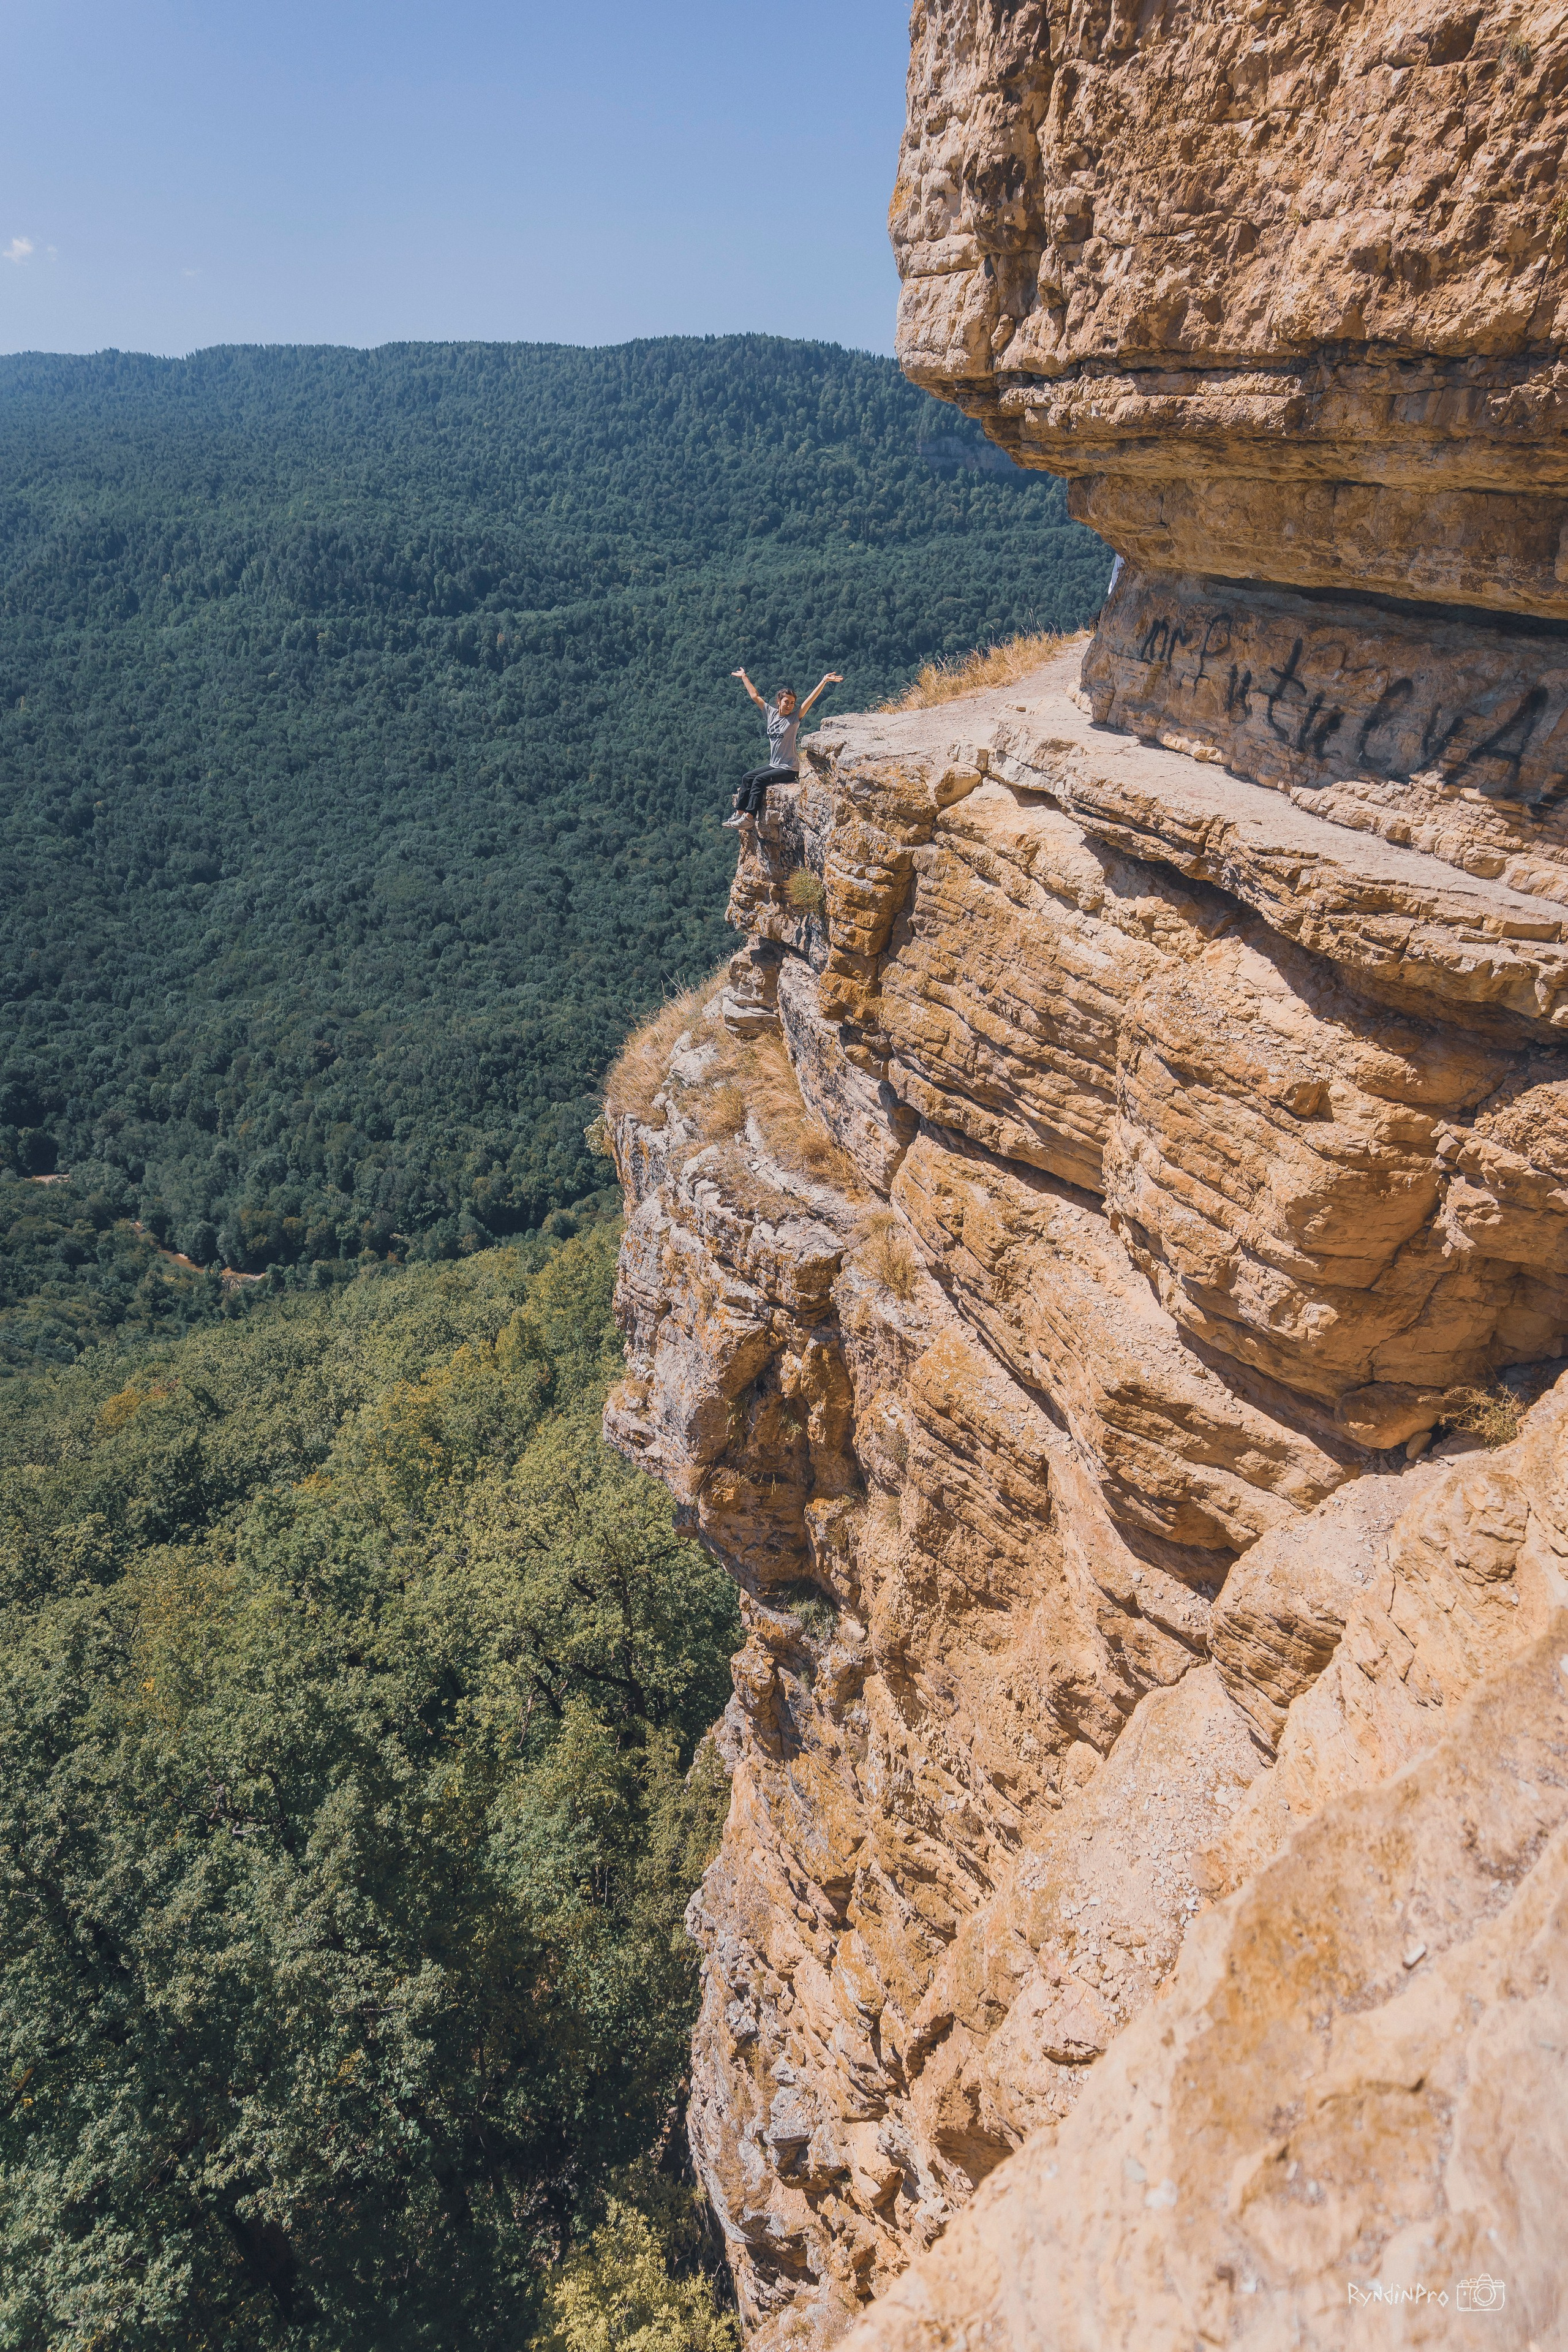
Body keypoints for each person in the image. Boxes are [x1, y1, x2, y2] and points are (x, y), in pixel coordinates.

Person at [724, 668, 843, 826]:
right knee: (747, 777)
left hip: (789, 769)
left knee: (759, 780)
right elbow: (755, 696)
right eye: (787, 702)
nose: (789, 706)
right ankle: (738, 814)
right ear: (779, 702)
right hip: (775, 765)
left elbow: (810, 701)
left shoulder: (794, 719)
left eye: (792, 703)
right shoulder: (771, 713)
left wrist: (824, 681)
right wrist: (744, 677)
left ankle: (749, 818)